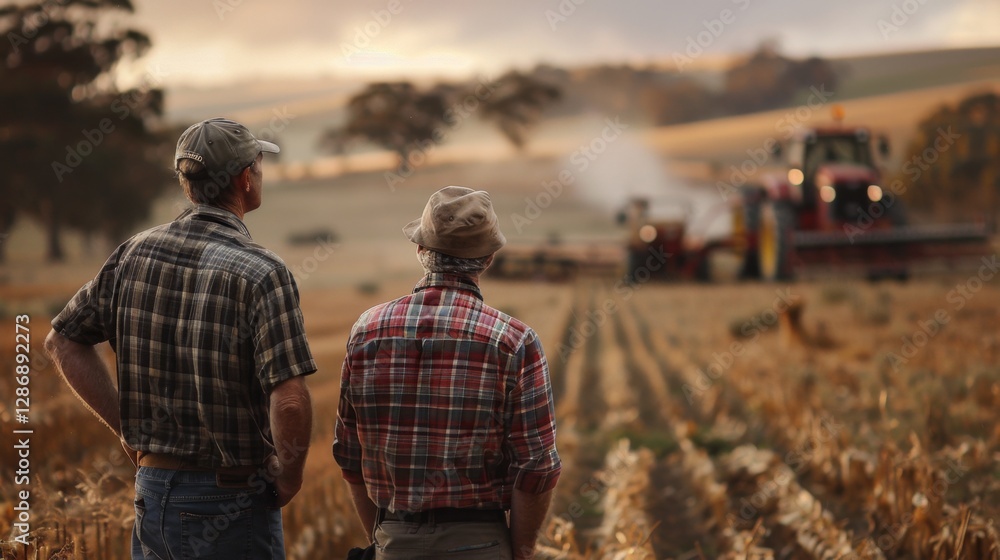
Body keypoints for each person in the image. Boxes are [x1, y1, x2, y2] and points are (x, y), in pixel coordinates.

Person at [45, 118, 316, 560]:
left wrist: (130, 431)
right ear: (245, 178)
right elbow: (288, 399)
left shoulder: (133, 253)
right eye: (259, 163)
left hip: (152, 492)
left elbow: (63, 341)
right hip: (231, 500)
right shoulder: (263, 272)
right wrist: (289, 476)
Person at [333, 186, 561, 559]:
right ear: (487, 259)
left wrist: (385, 536)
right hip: (481, 544)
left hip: (394, 540)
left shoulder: (366, 331)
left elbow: (348, 455)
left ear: (421, 250)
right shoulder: (515, 341)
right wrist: (520, 552)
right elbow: (536, 467)